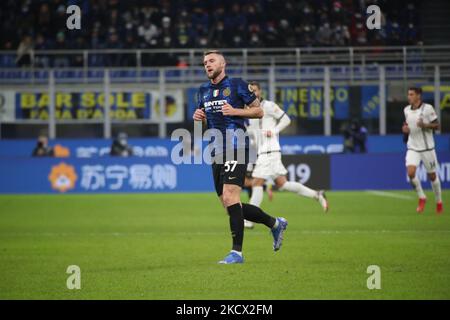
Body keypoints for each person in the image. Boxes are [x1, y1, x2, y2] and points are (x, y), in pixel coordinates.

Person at [193, 50, 288, 264]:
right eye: (204, 62)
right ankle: (275, 223)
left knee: (230, 196)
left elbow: (258, 112)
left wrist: (235, 111)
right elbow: (206, 122)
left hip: (236, 145)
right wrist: (198, 117)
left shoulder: (237, 84)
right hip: (216, 149)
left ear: (223, 63)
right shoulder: (203, 90)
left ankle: (237, 253)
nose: (207, 65)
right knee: (230, 205)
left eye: (211, 61)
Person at [244, 82, 328, 229]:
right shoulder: (249, 110)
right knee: (283, 184)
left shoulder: (269, 106)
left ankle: (249, 220)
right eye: (250, 91)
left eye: (255, 90)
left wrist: (274, 131)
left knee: (256, 183)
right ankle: (317, 194)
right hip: (263, 151)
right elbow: (253, 132)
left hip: (269, 150)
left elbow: (286, 119)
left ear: (260, 91)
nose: (253, 93)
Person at [402, 87, 443, 214]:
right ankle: (422, 197)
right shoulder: (406, 110)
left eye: (411, 94)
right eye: (408, 94)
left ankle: (439, 202)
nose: (409, 97)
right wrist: (405, 130)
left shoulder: (428, 109)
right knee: (410, 172)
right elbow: (407, 126)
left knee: (432, 176)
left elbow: (437, 125)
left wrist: (425, 125)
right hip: (413, 147)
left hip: (427, 148)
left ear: (418, 96)